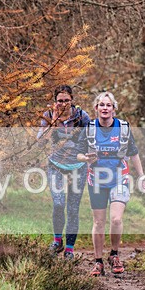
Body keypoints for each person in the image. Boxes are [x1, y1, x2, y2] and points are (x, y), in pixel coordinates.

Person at [73, 91, 145, 277]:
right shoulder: (90, 128)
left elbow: (134, 153)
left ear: (114, 109)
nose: (105, 108)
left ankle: (114, 254)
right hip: (97, 179)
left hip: (119, 178)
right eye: (101, 105)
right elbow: (78, 153)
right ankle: (98, 261)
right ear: (96, 108)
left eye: (108, 105)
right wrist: (86, 158)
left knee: (116, 219)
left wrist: (141, 177)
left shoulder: (123, 128)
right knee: (98, 222)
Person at [37, 85, 91, 260]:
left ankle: (69, 249)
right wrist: (52, 123)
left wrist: (88, 158)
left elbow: (91, 141)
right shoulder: (48, 116)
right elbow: (39, 142)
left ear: (72, 100)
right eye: (60, 101)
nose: (63, 104)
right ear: (55, 102)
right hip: (55, 165)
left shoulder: (82, 117)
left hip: (78, 167)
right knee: (59, 203)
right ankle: (57, 240)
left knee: (73, 209)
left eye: (67, 100)